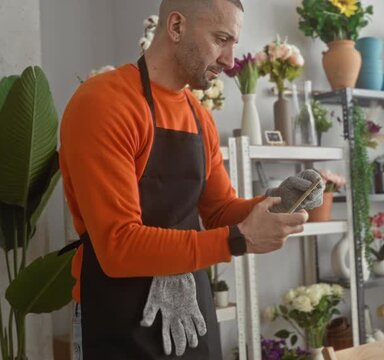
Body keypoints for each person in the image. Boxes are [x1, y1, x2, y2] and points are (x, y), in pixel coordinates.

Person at [58, 0, 323, 359]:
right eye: (221, 39)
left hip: (190, 314)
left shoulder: (198, 116)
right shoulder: (104, 103)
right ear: (177, 27)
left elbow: (219, 210)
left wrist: (273, 201)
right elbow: (117, 247)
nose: (230, 61)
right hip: (114, 316)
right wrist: (238, 240)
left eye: (234, 43)